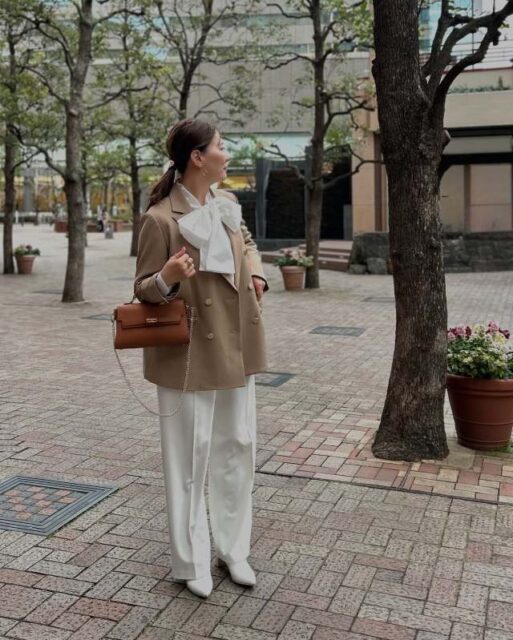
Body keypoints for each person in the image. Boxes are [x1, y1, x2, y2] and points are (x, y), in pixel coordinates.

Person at [133, 118, 269, 599]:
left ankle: (233, 549)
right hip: (188, 351)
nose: (226, 154)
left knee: (238, 446)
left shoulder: (226, 202)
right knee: (189, 457)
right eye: (221, 146)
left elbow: (246, 243)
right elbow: (143, 290)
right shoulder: (160, 219)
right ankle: (190, 560)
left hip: (237, 341)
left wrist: (256, 272)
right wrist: (167, 276)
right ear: (198, 157)